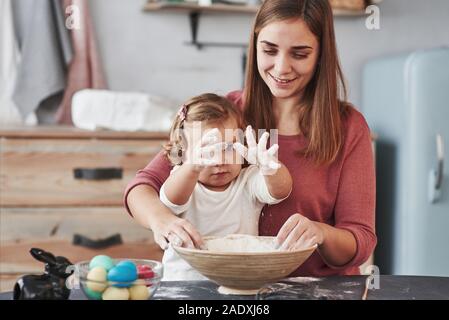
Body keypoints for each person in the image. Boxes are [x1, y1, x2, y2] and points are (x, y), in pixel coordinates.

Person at [124, 0, 376, 277]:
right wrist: (162, 221)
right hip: (234, 291)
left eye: (300, 54)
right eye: (269, 50)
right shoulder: (227, 115)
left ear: (321, 55)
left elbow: (360, 241)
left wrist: (322, 233)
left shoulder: (349, 128)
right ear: (254, 45)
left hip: (318, 291)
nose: (281, 68)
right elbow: (142, 186)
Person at [157, 93, 292, 280]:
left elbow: (280, 191)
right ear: (183, 153)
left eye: (229, 148)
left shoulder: (248, 180)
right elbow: (170, 200)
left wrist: (270, 168)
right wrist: (192, 168)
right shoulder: (185, 181)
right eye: (207, 151)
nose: (219, 160)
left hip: (239, 280)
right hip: (184, 282)